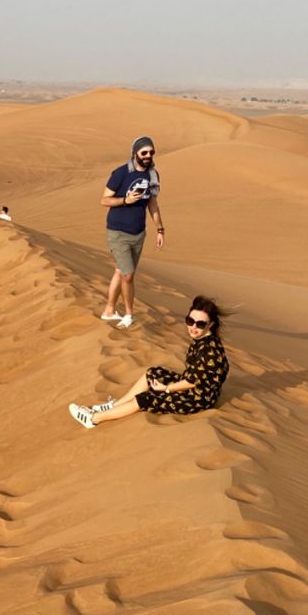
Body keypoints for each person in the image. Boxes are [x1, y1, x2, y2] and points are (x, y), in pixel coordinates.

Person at [69, 296, 230, 428]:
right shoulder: (203, 339)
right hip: (192, 387)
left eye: (200, 324)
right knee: (153, 373)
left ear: (211, 324)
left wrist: (166, 389)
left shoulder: (210, 350)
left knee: (146, 399)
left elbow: (191, 382)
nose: (193, 327)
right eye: (190, 321)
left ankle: (94, 419)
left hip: (198, 400)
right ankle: (114, 406)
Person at [99, 136, 165, 329]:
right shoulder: (120, 173)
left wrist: (160, 229)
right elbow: (104, 200)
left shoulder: (153, 175)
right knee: (128, 275)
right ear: (135, 153)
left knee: (121, 271)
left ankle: (109, 311)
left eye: (151, 152)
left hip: (138, 233)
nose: (148, 155)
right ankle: (129, 314)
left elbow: (152, 204)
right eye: (144, 152)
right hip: (118, 232)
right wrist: (125, 200)